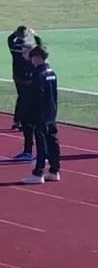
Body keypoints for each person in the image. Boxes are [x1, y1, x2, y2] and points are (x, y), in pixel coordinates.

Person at [19, 46, 60, 185]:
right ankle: (54, 170)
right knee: (53, 141)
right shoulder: (51, 72)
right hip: (51, 112)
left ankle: (39, 173)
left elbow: (35, 96)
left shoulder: (38, 73)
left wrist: (29, 114)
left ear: (37, 57)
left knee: (41, 143)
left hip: (40, 113)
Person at [10, 38, 37, 161]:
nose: (22, 53)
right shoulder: (23, 63)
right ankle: (28, 151)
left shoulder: (36, 67)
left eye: (25, 51)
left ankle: (42, 155)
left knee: (38, 130)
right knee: (27, 127)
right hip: (27, 102)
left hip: (34, 104)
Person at [7, 25, 29, 130]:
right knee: (26, 99)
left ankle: (17, 121)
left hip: (16, 75)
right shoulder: (27, 47)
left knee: (21, 97)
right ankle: (23, 121)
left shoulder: (13, 46)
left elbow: (10, 38)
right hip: (26, 77)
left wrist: (15, 33)